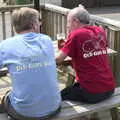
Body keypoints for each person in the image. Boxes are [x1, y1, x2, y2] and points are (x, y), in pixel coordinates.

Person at [0, 7, 61, 120]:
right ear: (34, 25)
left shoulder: (5, 45)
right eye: (39, 21)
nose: (40, 23)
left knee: (7, 97)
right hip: (54, 108)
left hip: (25, 114)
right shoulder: (46, 40)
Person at [56, 5, 116, 104]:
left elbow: (58, 60)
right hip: (109, 88)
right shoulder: (100, 31)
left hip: (92, 93)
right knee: (76, 86)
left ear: (75, 22)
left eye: (68, 22)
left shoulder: (76, 35)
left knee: (60, 95)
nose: (67, 25)